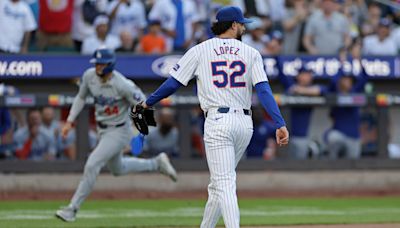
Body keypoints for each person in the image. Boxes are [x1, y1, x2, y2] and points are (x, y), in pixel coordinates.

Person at [137, 6, 289, 227]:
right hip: (244, 124)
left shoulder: (200, 50)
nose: (244, 27)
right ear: (234, 25)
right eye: (242, 23)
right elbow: (264, 90)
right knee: (219, 184)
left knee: (224, 182)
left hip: (218, 121)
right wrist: (280, 122)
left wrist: (147, 102)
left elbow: (173, 83)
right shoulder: (251, 53)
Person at [55, 49, 177, 222]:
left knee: (92, 164)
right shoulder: (89, 76)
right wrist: (69, 120)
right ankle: (156, 163)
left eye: (102, 64)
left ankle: (72, 209)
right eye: (96, 63)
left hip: (119, 130)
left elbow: (143, 104)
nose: (98, 67)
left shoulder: (123, 84)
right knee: (118, 169)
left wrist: (139, 132)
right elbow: (81, 97)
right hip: (103, 130)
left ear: (110, 65)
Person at [276, 60, 327, 159]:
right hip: (286, 135)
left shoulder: (311, 88)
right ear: (299, 76)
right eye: (306, 74)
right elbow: (282, 74)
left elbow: (322, 90)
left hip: (303, 137)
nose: (309, 76)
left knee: (299, 164)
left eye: (309, 74)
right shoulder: (291, 86)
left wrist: (300, 90)